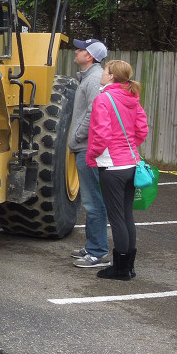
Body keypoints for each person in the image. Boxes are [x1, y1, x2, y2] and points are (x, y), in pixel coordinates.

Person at [86, 60, 148, 280]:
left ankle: (121, 268)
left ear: (111, 76)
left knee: (116, 218)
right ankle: (128, 266)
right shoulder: (132, 97)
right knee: (126, 216)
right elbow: (141, 130)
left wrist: (92, 155)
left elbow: (101, 134)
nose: (102, 74)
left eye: (104, 71)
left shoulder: (103, 99)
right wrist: (129, 144)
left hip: (111, 165)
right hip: (131, 163)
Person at [67, 39, 110, 268]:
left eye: (81, 49)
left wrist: (76, 137)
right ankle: (93, 245)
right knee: (91, 200)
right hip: (84, 147)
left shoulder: (94, 79)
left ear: (90, 56)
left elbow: (95, 112)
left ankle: (98, 252)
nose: (76, 51)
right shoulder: (90, 77)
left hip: (86, 148)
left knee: (94, 202)